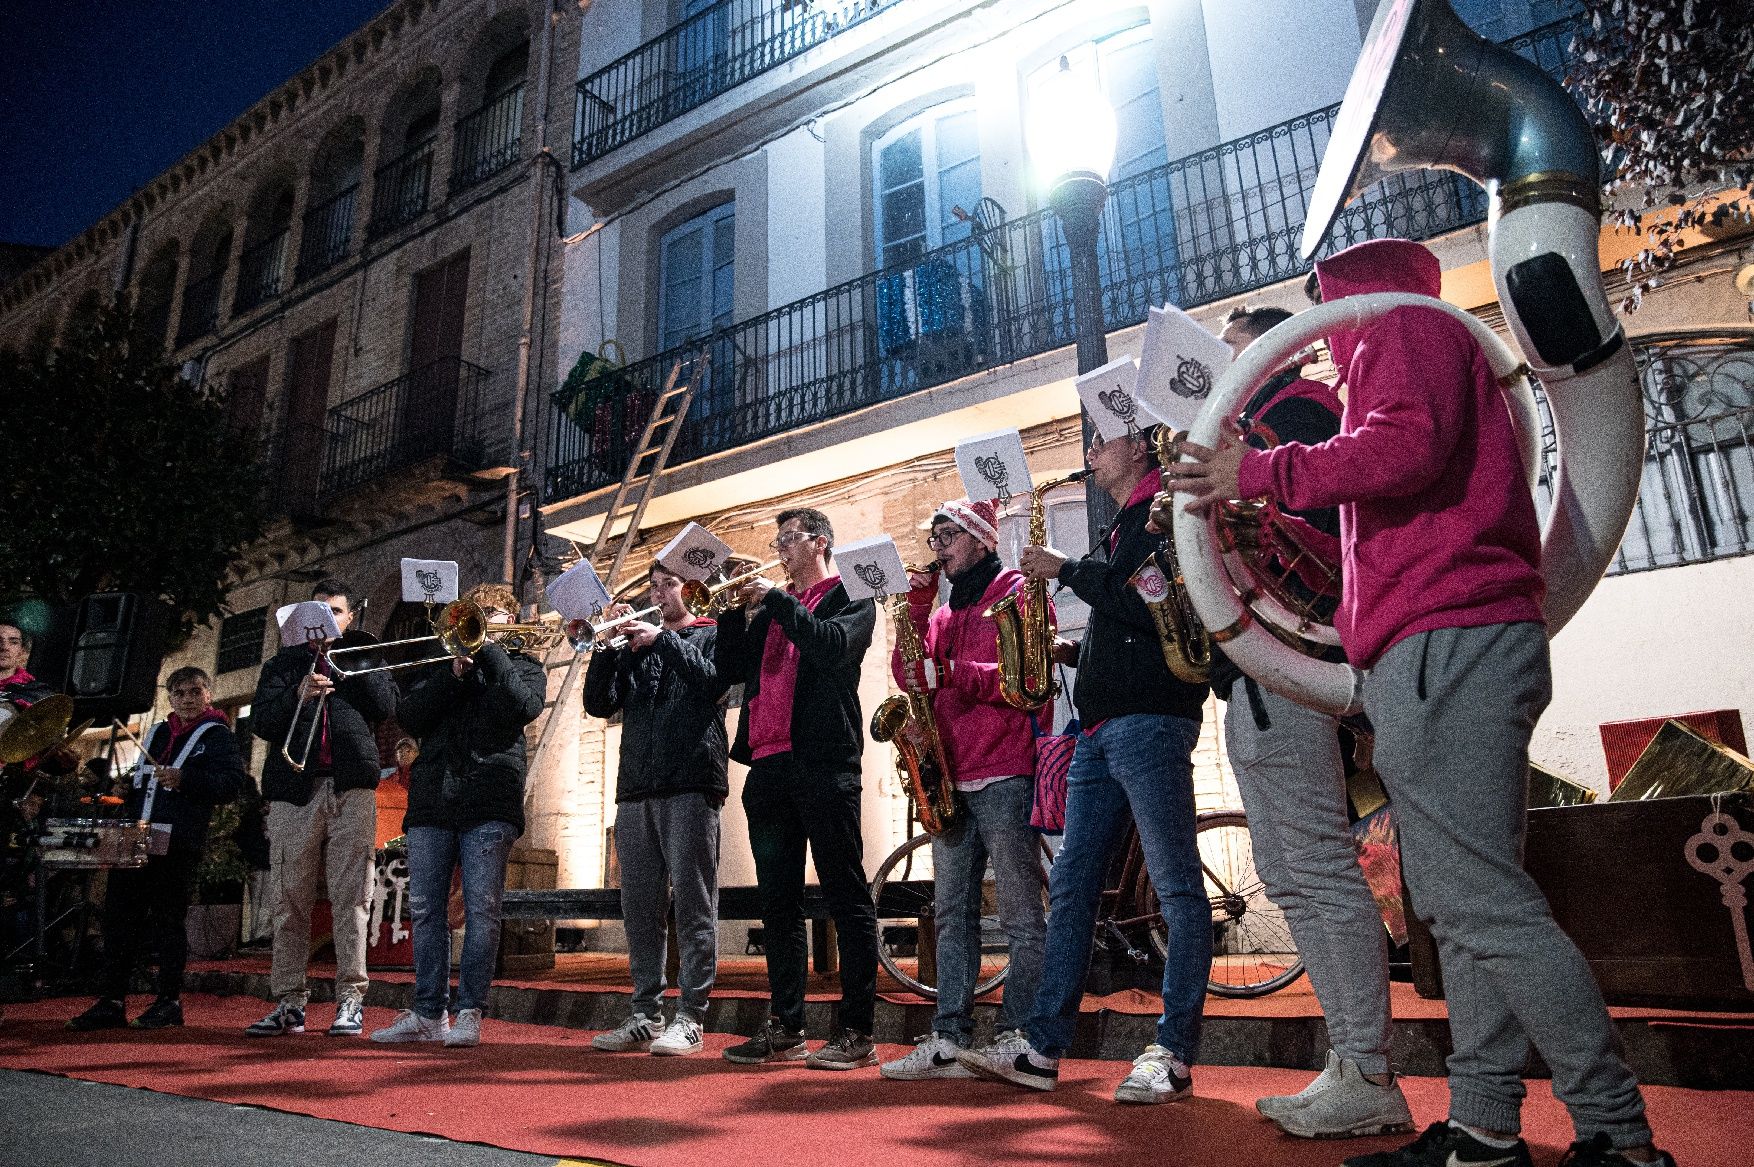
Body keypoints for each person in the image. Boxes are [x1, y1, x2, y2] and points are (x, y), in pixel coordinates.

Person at [1169, 238, 1672, 1167]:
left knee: (1482, 903)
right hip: (1444, 638)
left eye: (1320, 303)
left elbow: (1403, 449)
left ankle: (1619, 1133)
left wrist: (1262, 473)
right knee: (1463, 901)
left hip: (1446, 634)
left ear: (1339, 291)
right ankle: (1484, 1128)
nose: (1315, 343)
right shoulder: (1421, 335)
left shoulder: (1399, 330)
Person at [1149, 304, 1411, 1138]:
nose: (1225, 370)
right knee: (1290, 873)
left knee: (1321, 868)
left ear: (1269, 352)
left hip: (1293, 657)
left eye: (1234, 353)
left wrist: (1223, 489)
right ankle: (1347, 1059)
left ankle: (1369, 1065)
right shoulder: (1259, 423)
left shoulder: (1297, 410)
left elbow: (1318, 522)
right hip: (1255, 671)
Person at [959, 425, 1211, 1105]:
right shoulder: (1129, 519)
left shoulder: (1166, 509)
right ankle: (1043, 1048)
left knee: (1176, 887)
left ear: (1140, 447)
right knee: (1070, 888)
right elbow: (1130, 616)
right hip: (1100, 728)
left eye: (1103, 441)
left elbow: (1147, 598)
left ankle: (1176, 1052)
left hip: (1150, 719)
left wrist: (1065, 569)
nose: (1090, 453)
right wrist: (1077, 657)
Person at [878, 498, 1047, 1081]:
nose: (939, 546)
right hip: (949, 775)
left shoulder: (1016, 590)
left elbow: (1029, 681)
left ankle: (1019, 1033)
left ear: (981, 539)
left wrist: (955, 675)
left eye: (950, 535)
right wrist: (919, 603)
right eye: (935, 536)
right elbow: (908, 675)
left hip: (1003, 769)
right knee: (952, 913)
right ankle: (948, 1037)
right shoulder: (945, 612)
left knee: (1023, 914)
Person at [714, 507, 880, 1070]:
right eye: (777, 539)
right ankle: (786, 1025)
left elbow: (832, 648)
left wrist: (777, 601)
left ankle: (858, 1029)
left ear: (820, 542)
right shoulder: (769, 608)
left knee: (845, 895)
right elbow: (732, 668)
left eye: (788, 539)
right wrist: (732, 613)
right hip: (767, 767)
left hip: (823, 762)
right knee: (778, 904)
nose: (779, 548)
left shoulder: (851, 596)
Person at [369, 582, 545, 1049]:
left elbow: (520, 708)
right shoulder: (441, 665)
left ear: (509, 621)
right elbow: (411, 716)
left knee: (482, 908)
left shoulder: (525, 665)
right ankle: (428, 1013)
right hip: (433, 799)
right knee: (426, 908)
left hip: (490, 797)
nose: (482, 620)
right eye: (476, 612)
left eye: (493, 613)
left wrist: (489, 657)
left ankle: (470, 1010)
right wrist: (453, 673)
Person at [583, 562, 729, 1057]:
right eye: (655, 586)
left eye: (669, 585)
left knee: (693, 904)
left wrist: (661, 640)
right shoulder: (637, 647)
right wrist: (606, 646)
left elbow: (713, 684)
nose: (660, 594)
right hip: (635, 789)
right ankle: (645, 1013)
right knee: (640, 909)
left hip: (690, 782)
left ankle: (691, 1016)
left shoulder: (713, 633)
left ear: (693, 589)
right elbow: (599, 704)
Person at [247, 578, 397, 1038]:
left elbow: (387, 704)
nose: (326, 618)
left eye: (335, 611)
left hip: (352, 786)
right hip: (295, 790)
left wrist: (353, 663)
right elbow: (262, 724)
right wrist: (297, 693)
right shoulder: (283, 663)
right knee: (289, 898)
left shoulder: (363, 652)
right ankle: (290, 1001)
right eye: (318, 611)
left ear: (349, 618)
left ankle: (351, 998)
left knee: (352, 897)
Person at [67, 667, 246, 1030]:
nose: (189, 699)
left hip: (177, 839)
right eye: (180, 693)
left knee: (168, 920)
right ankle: (113, 998)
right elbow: (141, 781)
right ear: (170, 698)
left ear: (208, 694)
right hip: (138, 837)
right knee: (120, 916)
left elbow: (230, 785)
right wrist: (125, 792)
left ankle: (168, 1001)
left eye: (196, 691)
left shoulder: (218, 735)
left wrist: (187, 779)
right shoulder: (158, 731)